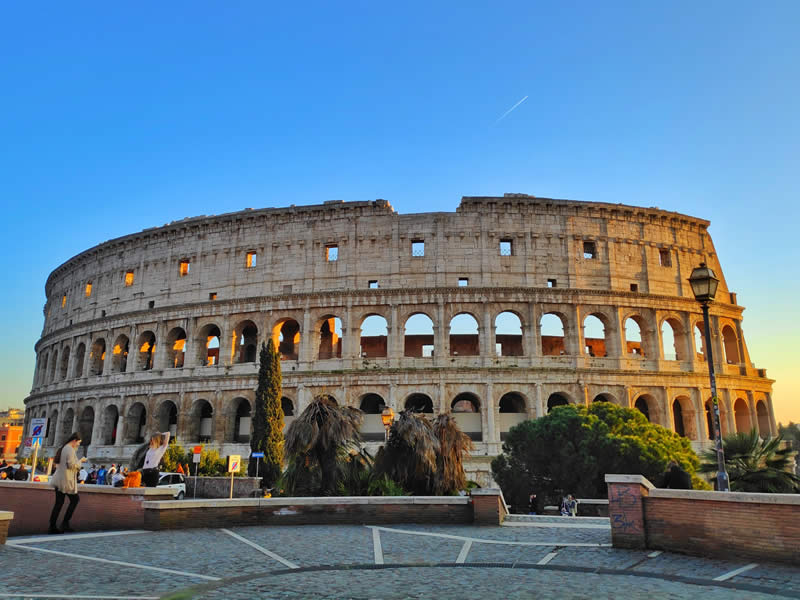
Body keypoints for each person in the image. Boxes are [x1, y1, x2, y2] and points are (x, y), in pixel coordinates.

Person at [48, 432, 87, 534]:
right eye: (78, 442)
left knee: (59, 503)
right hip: (65, 481)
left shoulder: (65, 448)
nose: (78, 444)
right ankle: (63, 524)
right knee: (74, 500)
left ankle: (53, 526)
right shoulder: (69, 449)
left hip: (61, 479)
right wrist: (81, 461)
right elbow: (71, 465)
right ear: (74, 440)